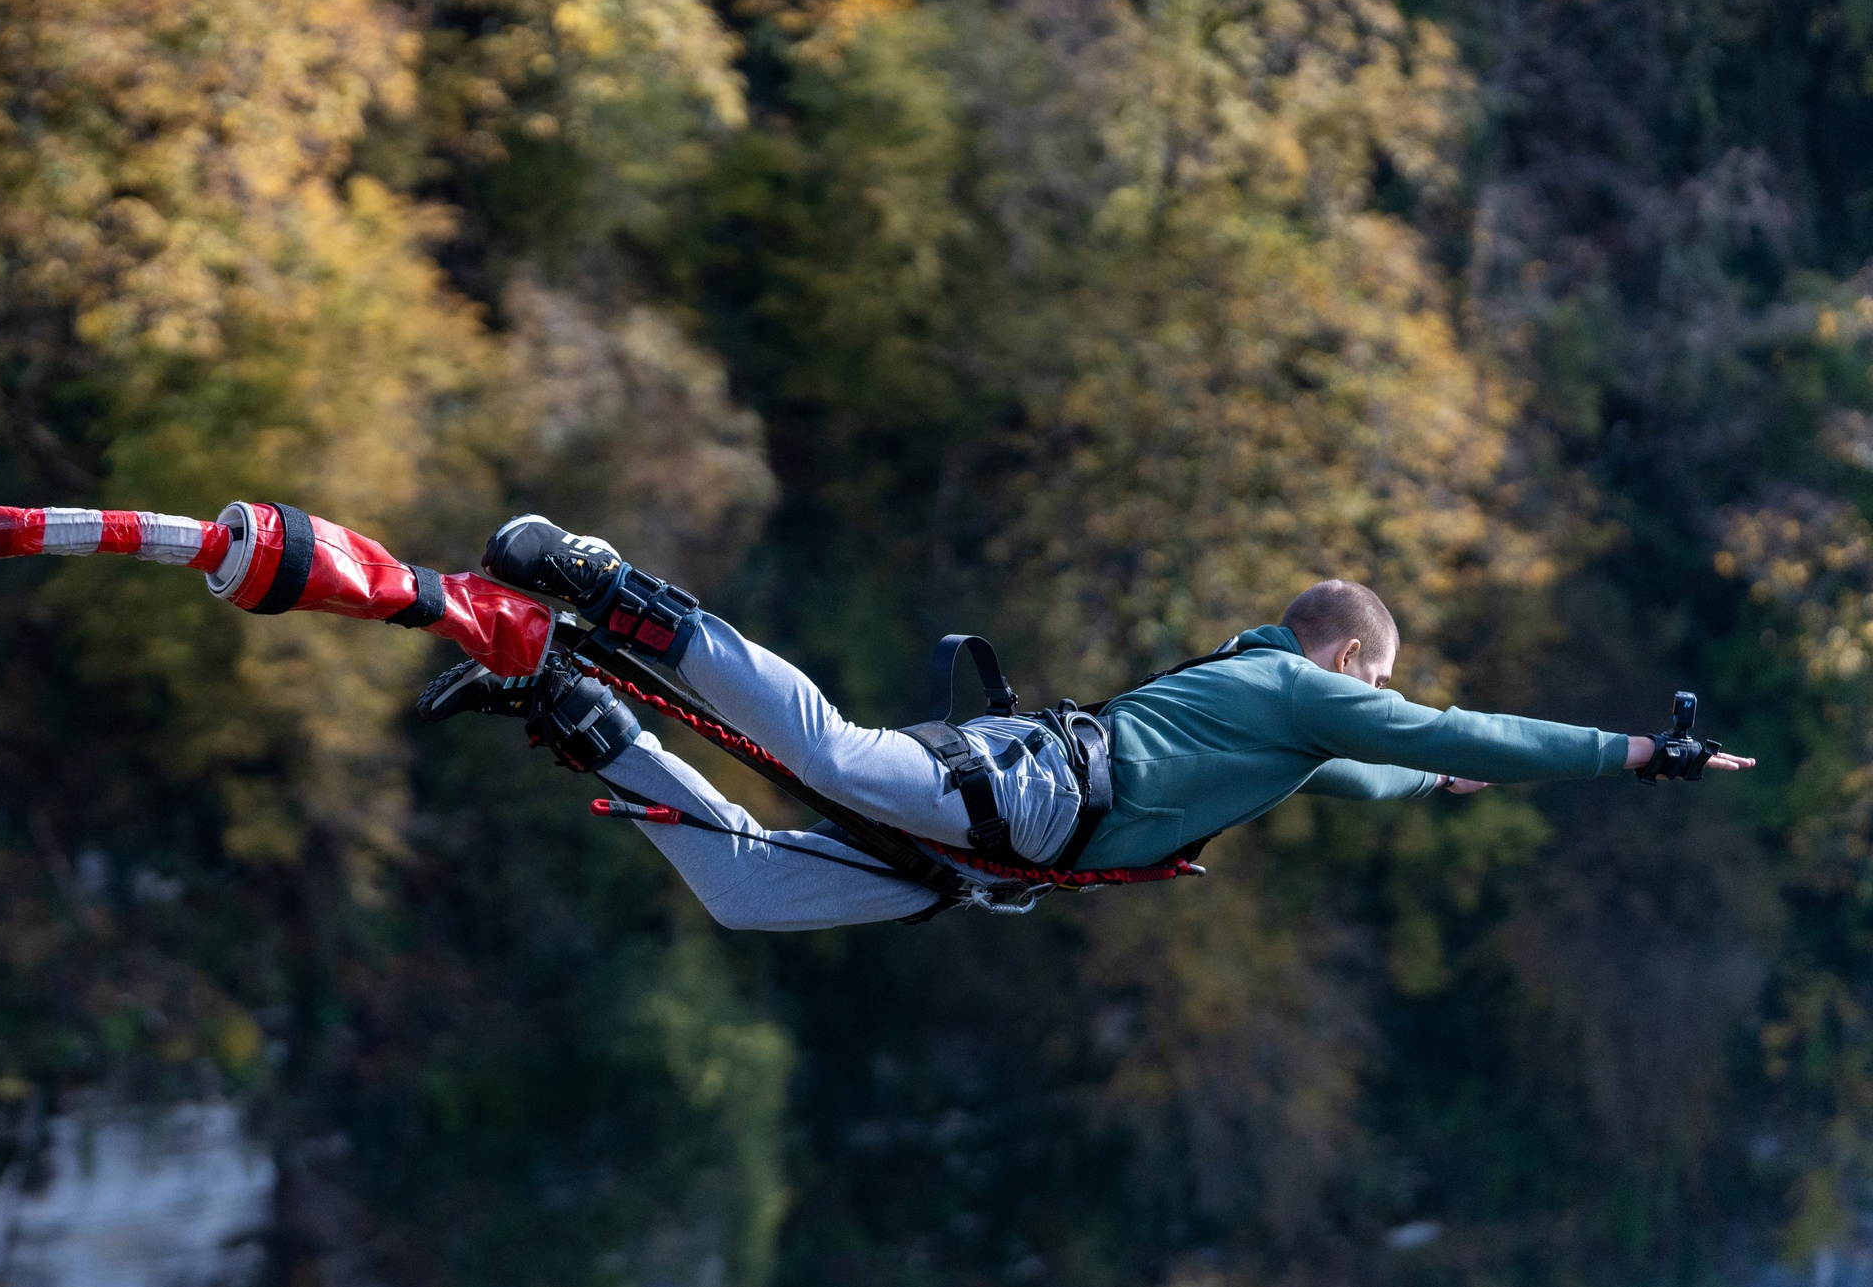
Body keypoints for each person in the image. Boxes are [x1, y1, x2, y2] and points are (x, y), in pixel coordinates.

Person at [419, 517, 1758, 930]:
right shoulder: (1291, 688)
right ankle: (619, 594)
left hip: (999, 858)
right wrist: (1638, 754)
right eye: (1382, 687)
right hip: (1033, 799)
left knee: (747, 896)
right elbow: (1461, 734)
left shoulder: (1287, 736)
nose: (1382, 710)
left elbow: (1383, 776)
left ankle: (578, 706)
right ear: (1349, 655)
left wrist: (1431, 789)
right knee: (823, 749)